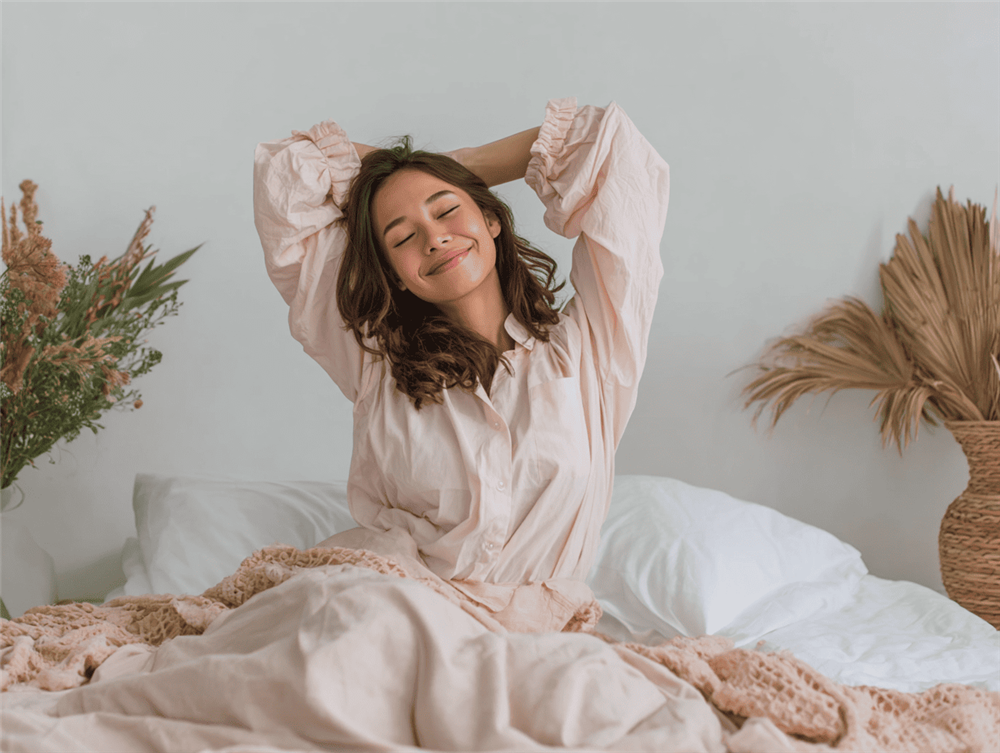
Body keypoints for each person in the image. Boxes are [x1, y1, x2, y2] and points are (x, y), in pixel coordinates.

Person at [253, 98, 669, 627]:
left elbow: (618, 156)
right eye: (402, 236)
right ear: (396, 274)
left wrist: (456, 167)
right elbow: (287, 172)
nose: (434, 237)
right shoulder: (371, 360)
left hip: (536, 638)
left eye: (447, 209)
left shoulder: (590, 348)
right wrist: (428, 179)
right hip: (389, 610)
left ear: (492, 219)